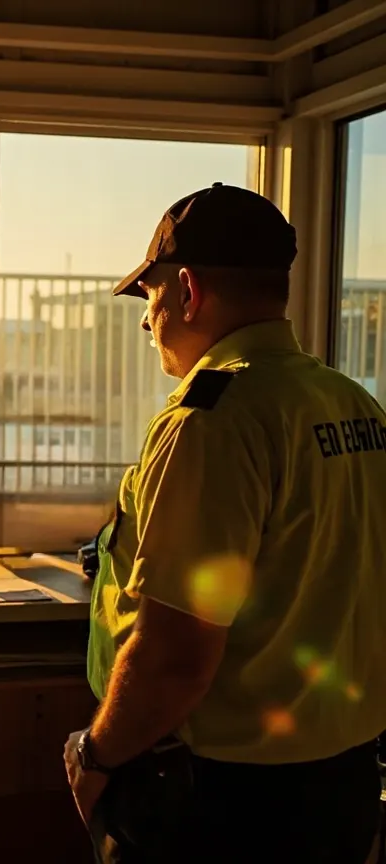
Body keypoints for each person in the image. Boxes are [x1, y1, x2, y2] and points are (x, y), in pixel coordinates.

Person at [64, 183, 386, 863]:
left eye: (149, 298)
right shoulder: (350, 403)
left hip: (224, 805)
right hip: (344, 785)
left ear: (187, 291)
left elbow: (177, 656)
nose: (148, 322)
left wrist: (96, 757)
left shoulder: (211, 423)